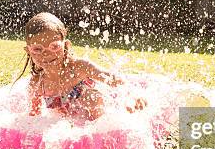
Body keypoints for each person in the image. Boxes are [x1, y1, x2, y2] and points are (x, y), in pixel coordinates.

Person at [14, 12, 146, 120]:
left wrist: (132, 95)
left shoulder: (79, 68)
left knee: (91, 97)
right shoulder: (37, 84)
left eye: (54, 46)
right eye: (38, 49)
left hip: (96, 118)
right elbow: (33, 117)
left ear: (66, 46)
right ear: (28, 51)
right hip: (67, 123)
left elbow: (113, 79)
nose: (46, 54)